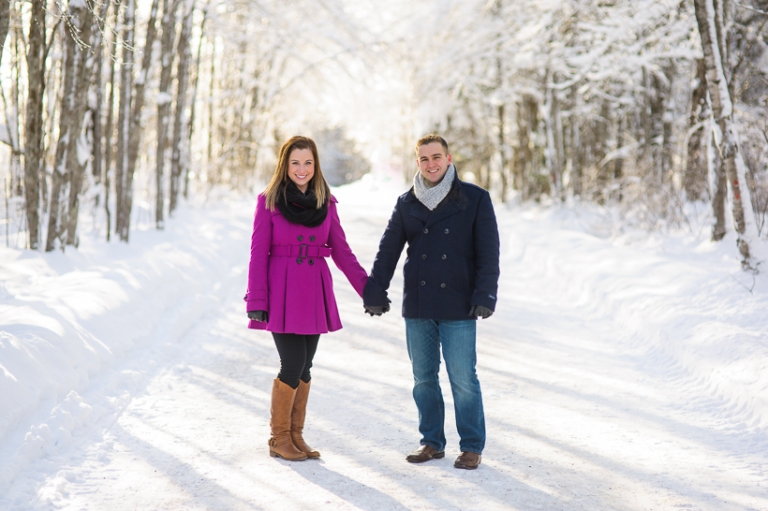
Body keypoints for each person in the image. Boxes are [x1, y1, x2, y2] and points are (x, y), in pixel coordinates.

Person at [363, 134, 500, 470]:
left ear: (449, 159)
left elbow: (489, 253)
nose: (431, 164)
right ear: (417, 162)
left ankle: (470, 445)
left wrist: (485, 294)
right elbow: (388, 251)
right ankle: (431, 442)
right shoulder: (407, 202)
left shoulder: (474, 198)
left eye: (436, 157)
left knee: (463, 378)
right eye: (424, 159)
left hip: (459, 305)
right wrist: (375, 290)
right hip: (420, 305)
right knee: (423, 378)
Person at [245, 136, 368, 461]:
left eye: (308, 162)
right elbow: (258, 253)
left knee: (306, 365)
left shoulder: (326, 202)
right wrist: (256, 300)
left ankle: (296, 436)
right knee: (292, 362)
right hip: (281, 288)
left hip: (313, 287)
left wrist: (367, 290)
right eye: (295, 162)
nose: (302, 169)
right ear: (285, 165)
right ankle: (278, 438)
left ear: (316, 165)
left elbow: (341, 251)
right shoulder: (269, 201)